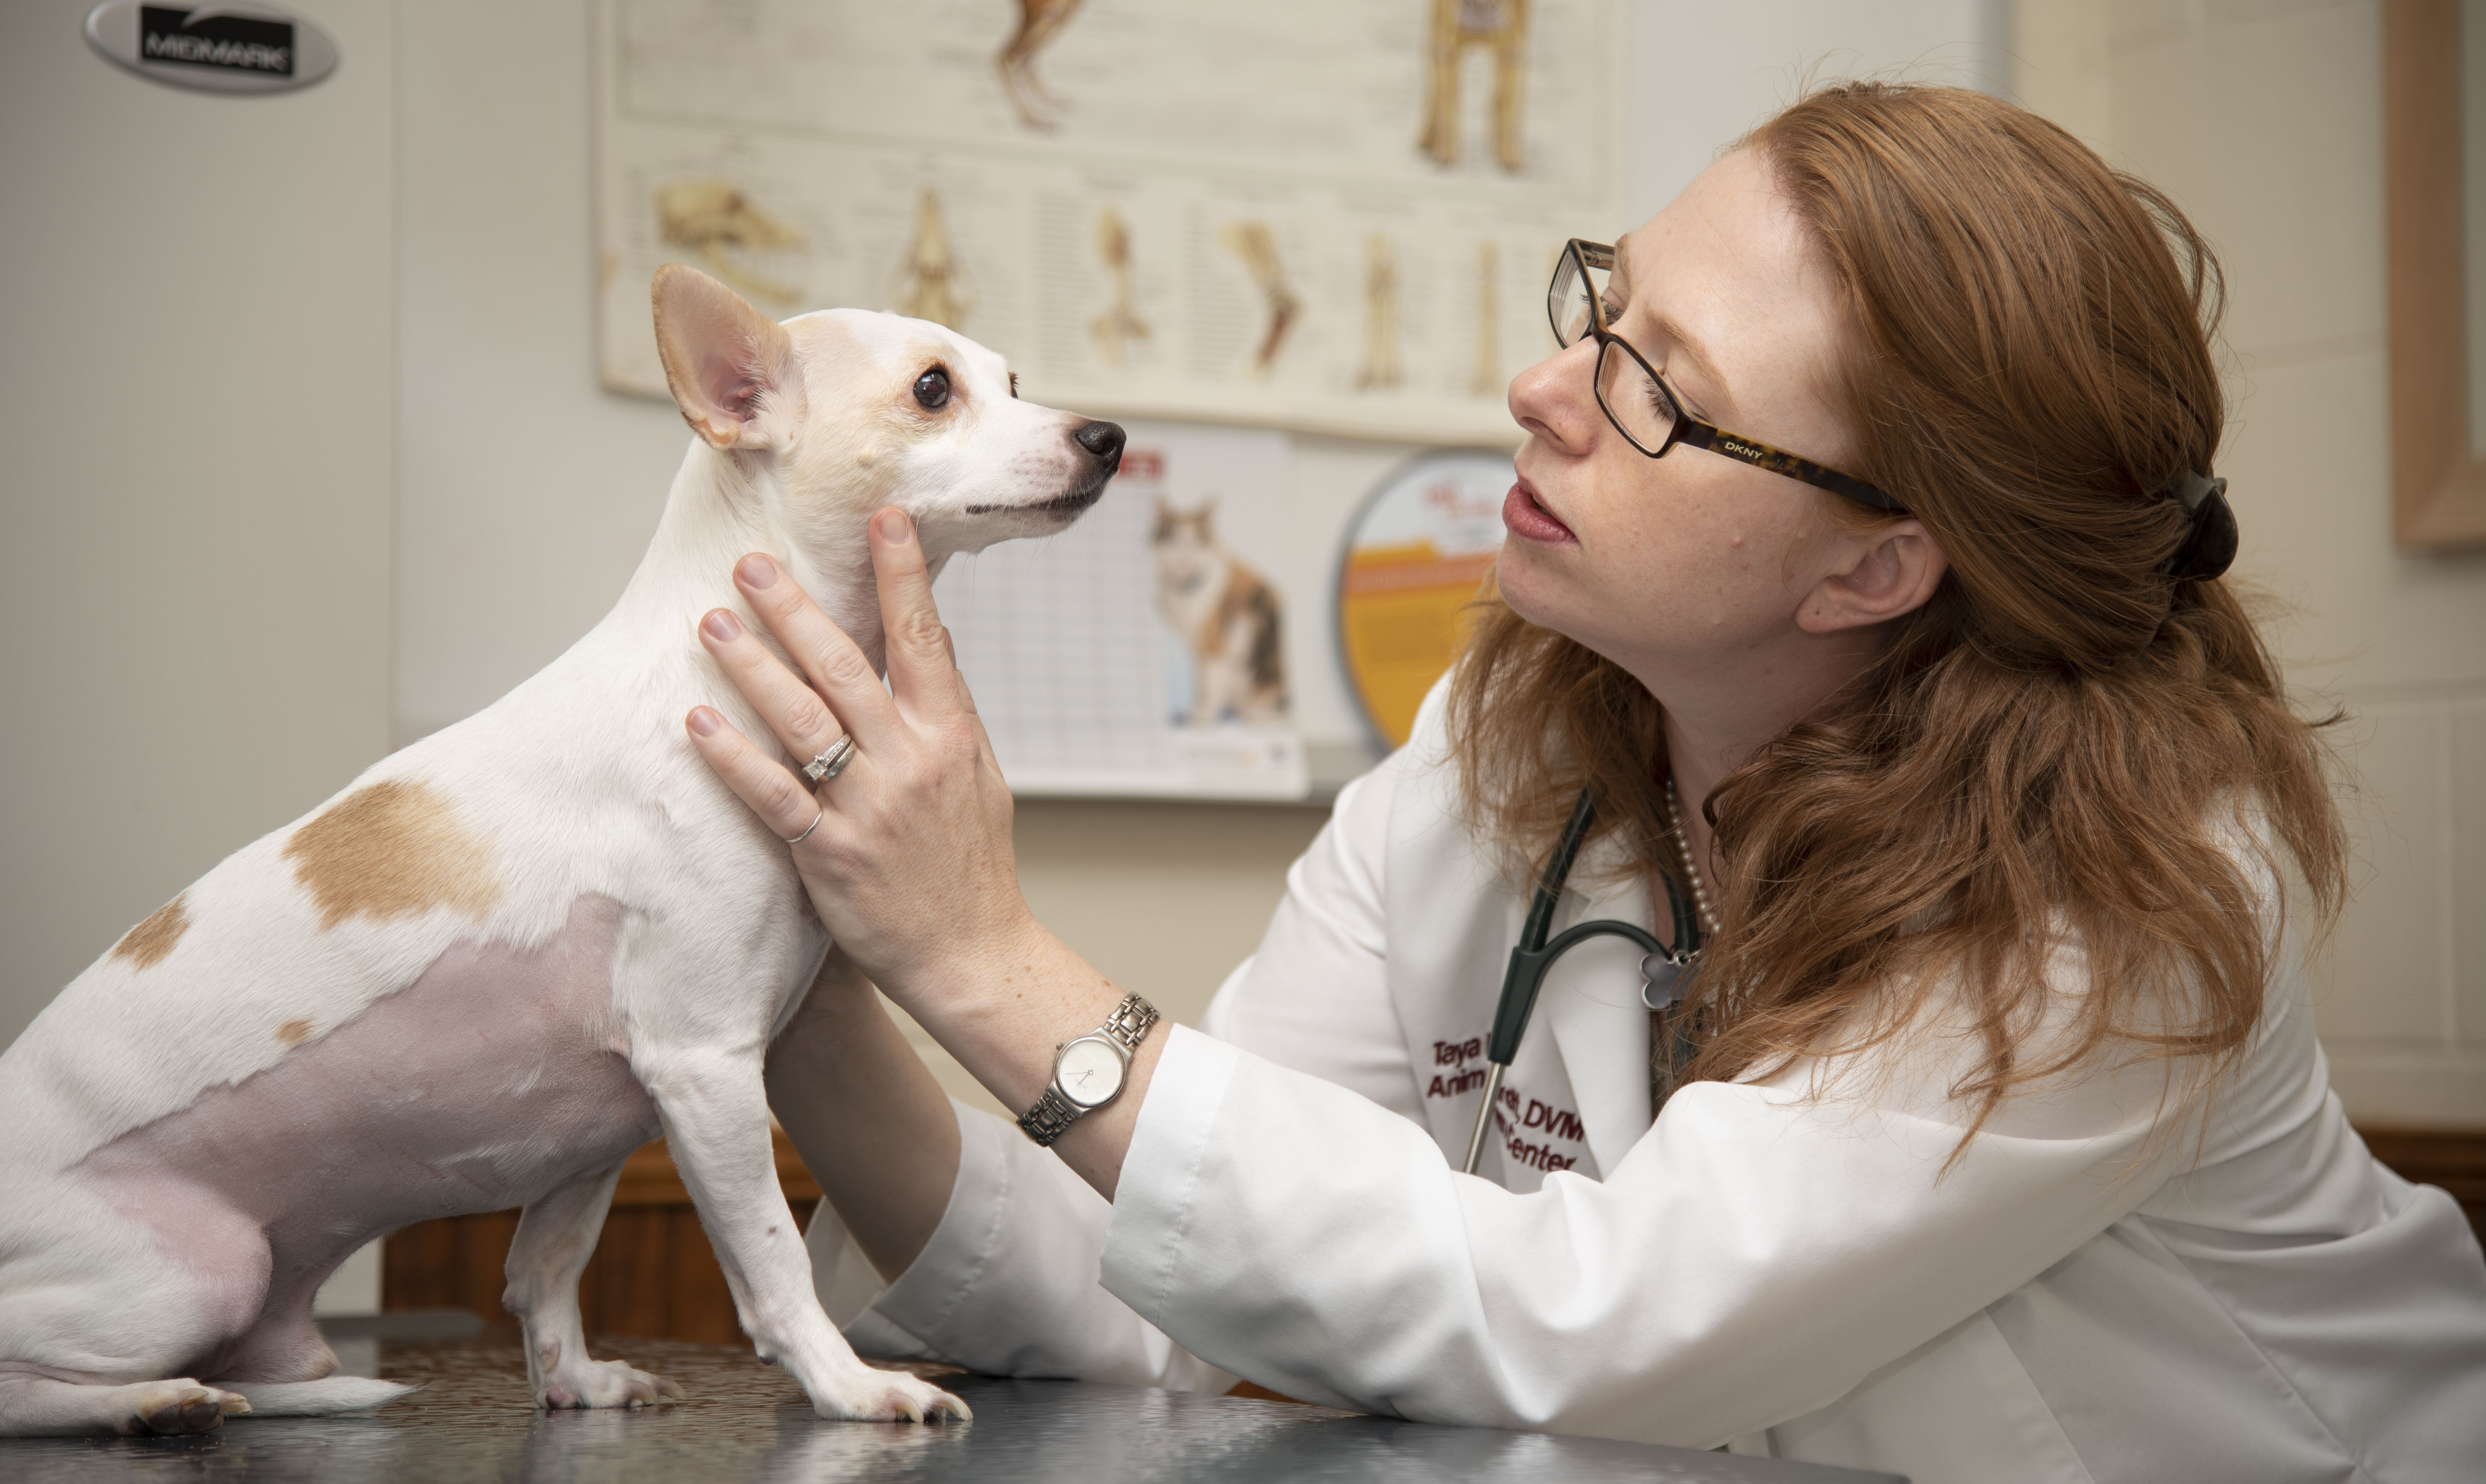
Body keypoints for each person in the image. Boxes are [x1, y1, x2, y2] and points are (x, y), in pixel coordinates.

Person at [682, 84, 2486, 1482]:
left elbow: (1599, 1327)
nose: (1544, 386)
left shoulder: (2126, 887)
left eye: (1654, 386)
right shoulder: (1503, 754)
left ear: (1873, 567)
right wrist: (830, 970)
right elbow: (1139, 1267)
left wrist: (991, 953)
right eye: (1598, 305)